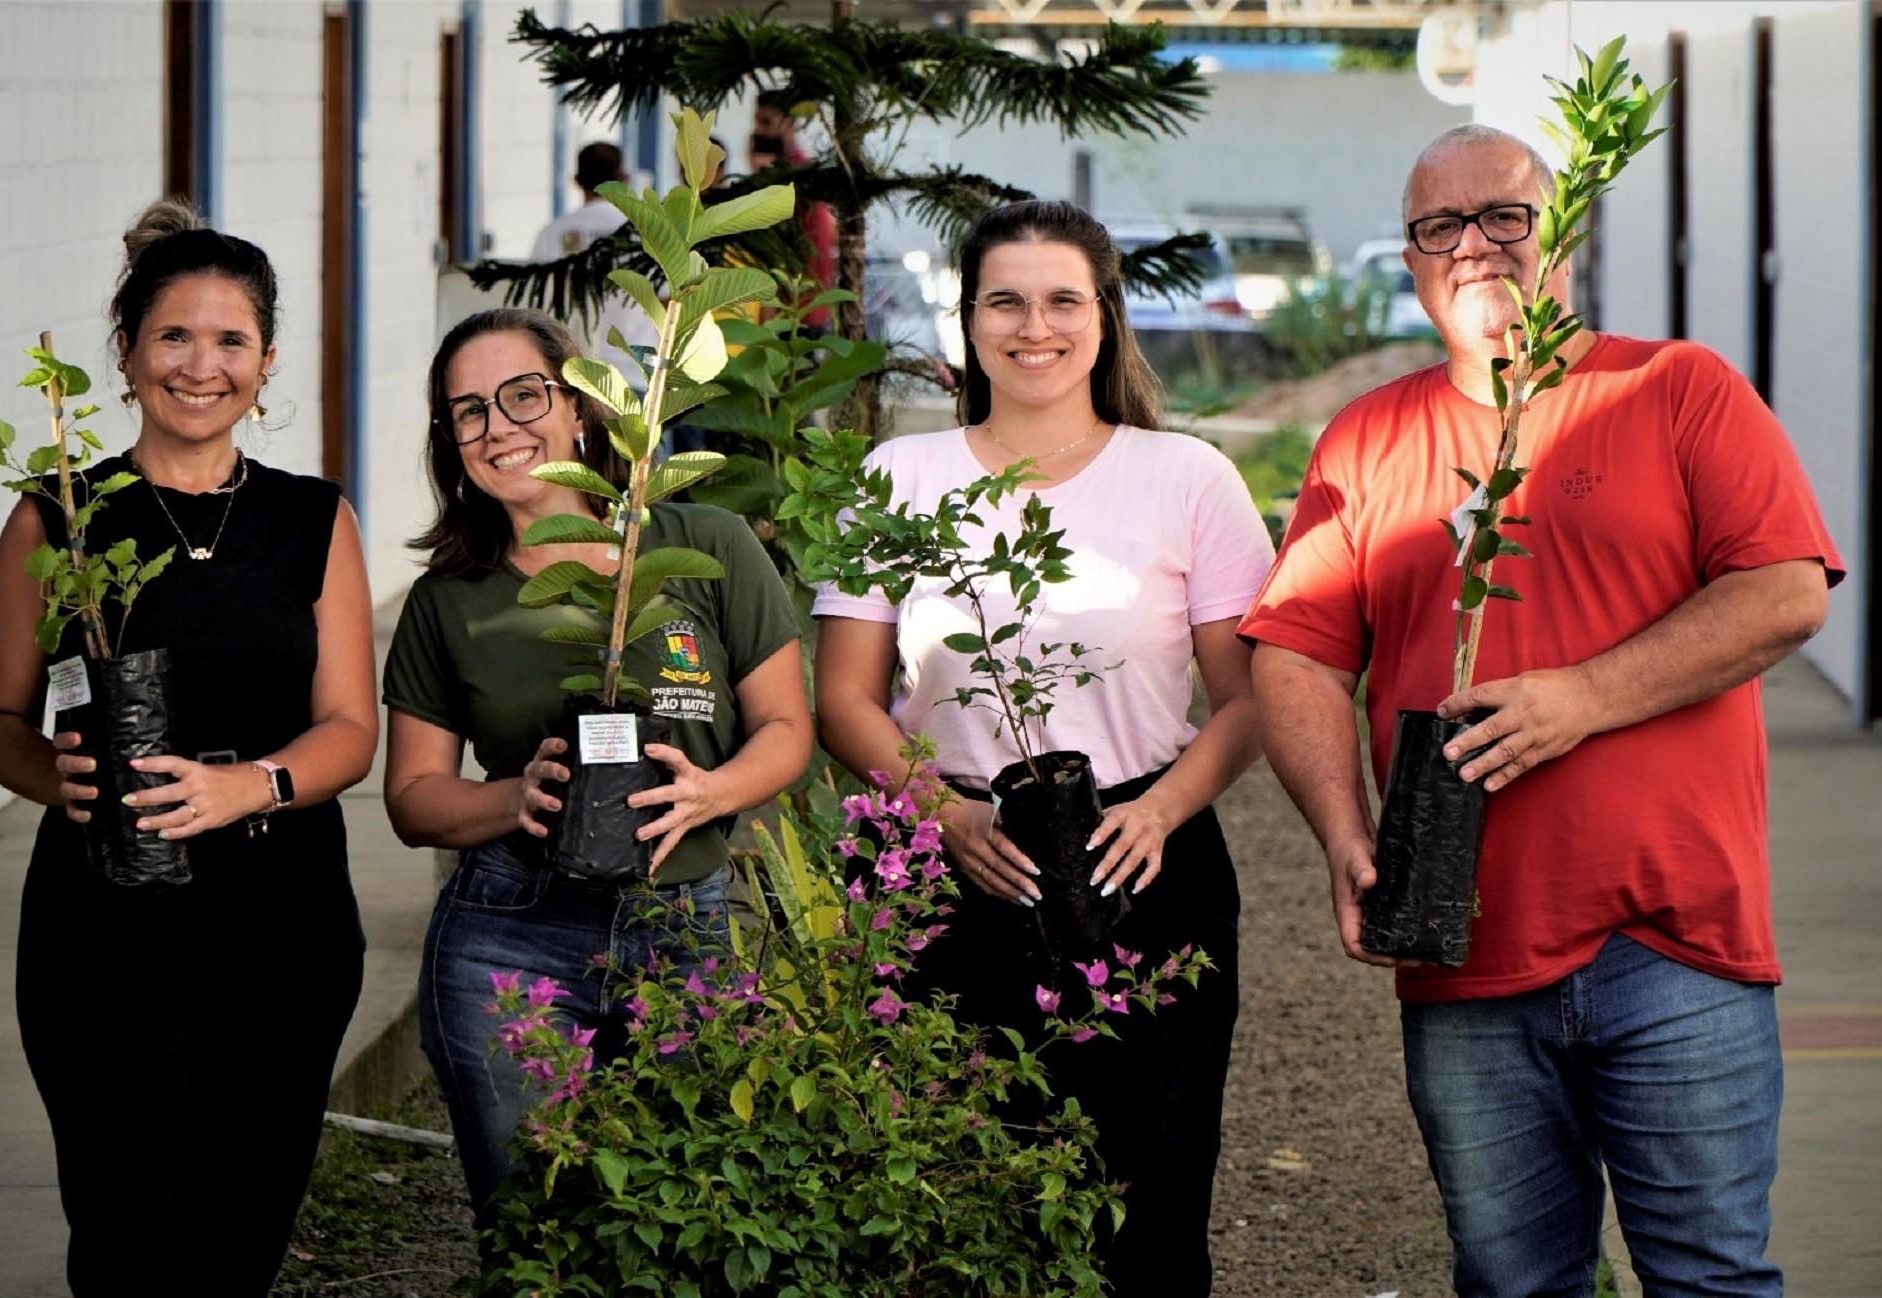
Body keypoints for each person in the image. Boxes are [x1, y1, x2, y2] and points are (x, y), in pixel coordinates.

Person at [1240, 124, 1842, 1296]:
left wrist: (1585, 697)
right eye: (1439, 227)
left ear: (1562, 236)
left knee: (1709, 1277)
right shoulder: (1367, 440)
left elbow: (1784, 590)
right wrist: (1343, 832)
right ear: (1411, 261)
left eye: (1505, 217)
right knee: (1513, 1282)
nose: (1475, 247)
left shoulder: (1678, 390)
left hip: (1677, 942)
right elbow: (1299, 653)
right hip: (1464, 949)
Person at [811, 200, 1274, 1296]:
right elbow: (842, 695)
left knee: (1149, 1197)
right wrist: (945, 813)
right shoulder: (901, 475)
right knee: (954, 1193)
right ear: (967, 318)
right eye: (1004, 300)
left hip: (1142, 861)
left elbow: (1252, 700)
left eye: (1063, 298)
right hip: (946, 868)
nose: (1035, 326)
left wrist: (1162, 810)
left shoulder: (1186, 477)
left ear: (1105, 316)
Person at [0, 198, 376, 1295]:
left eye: (231, 339)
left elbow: (350, 730)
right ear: (127, 352)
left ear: (268, 358)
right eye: (174, 337)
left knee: (244, 1221)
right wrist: (55, 775)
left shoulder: (313, 519)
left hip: (281, 917)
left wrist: (253, 783)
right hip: (103, 923)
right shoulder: (56, 519)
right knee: (122, 1222)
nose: (203, 366)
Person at [381, 307, 812, 1223]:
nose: (498, 427)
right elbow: (414, 801)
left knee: (690, 1226)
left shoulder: (701, 548)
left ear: (580, 408)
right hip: (508, 938)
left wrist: (711, 791)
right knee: (534, 1234)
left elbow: (784, 729)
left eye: (522, 395)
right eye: (468, 412)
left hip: (685, 925)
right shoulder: (448, 601)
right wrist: (513, 797)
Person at [529, 141, 658, 383]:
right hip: (637, 373)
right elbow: (669, 302)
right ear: (624, 179)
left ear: (577, 181)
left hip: (573, 374)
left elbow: (537, 305)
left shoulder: (552, 234)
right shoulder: (647, 234)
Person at [748, 89, 838, 328]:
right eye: (756, 122)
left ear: (790, 126)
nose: (757, 131)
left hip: (798, 310)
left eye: (765, 123)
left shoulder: (801, 180)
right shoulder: (793, 174)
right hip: (791, 309)